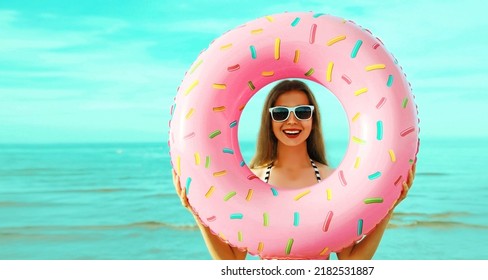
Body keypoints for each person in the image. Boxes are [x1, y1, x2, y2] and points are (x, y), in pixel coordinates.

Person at [172, 80, 416, 260]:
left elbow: (350, 264)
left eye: (302, 112)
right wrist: (197, 212)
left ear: (313, 119)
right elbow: (233, 263)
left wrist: (388, 207)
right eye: (280, 113)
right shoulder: (250, 180)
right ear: (270, 121)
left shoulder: (334, 181)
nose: (291, 121)